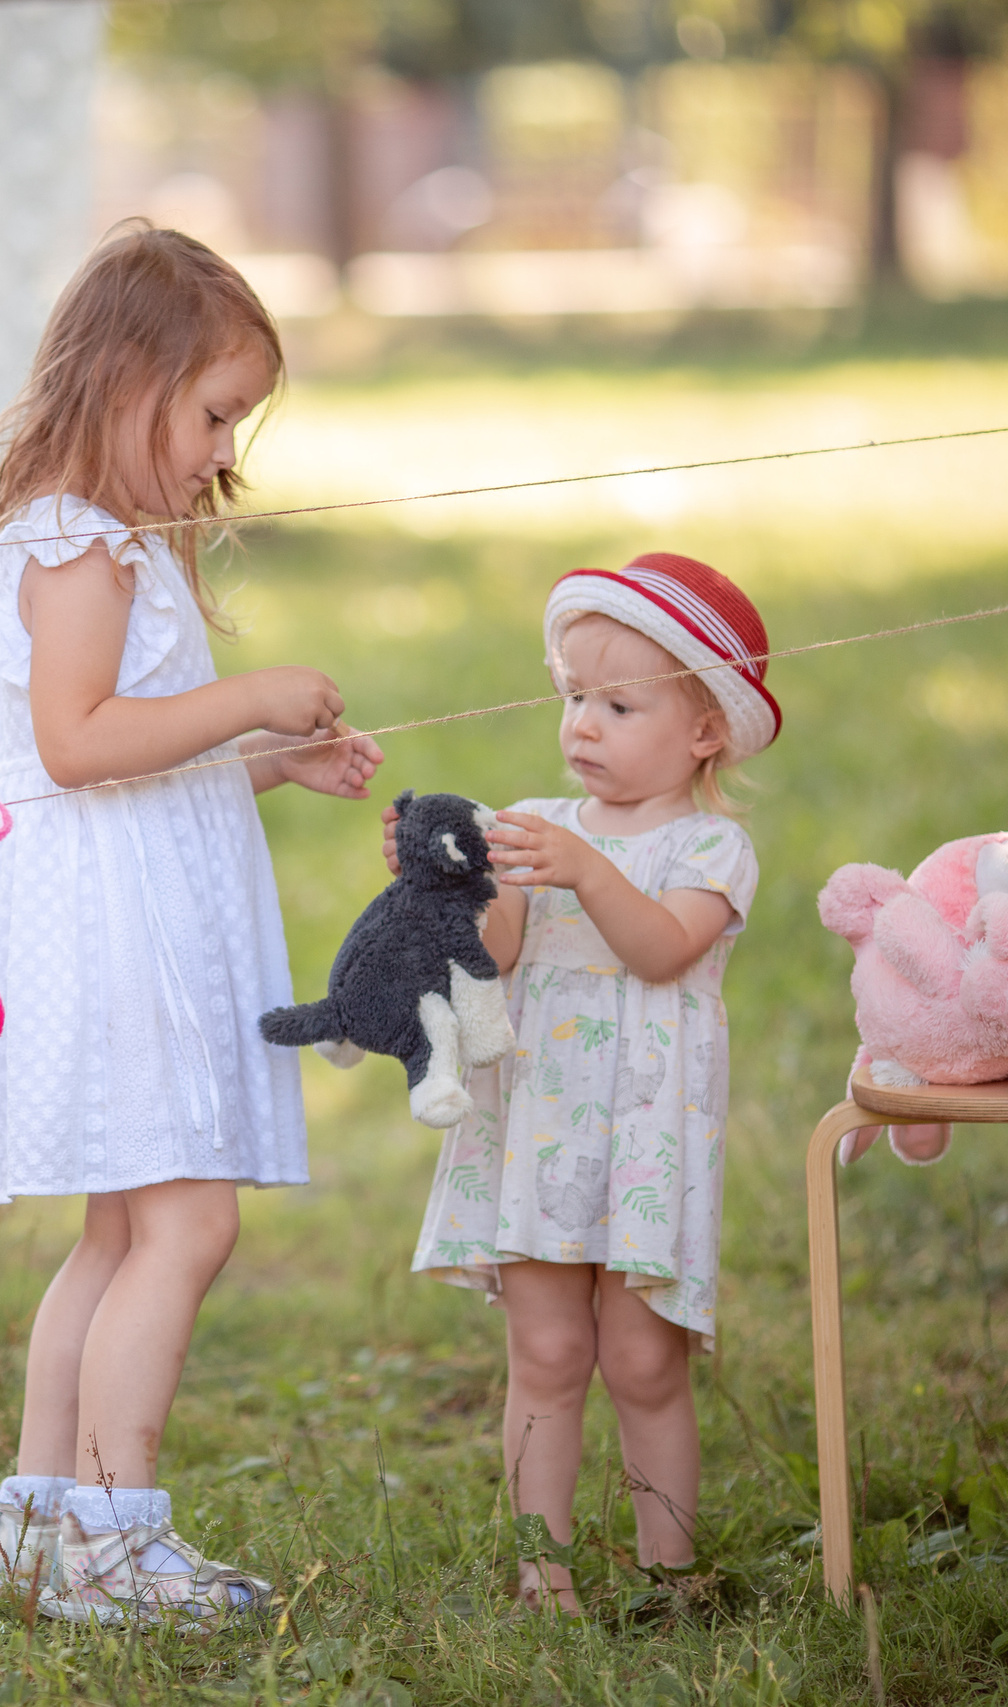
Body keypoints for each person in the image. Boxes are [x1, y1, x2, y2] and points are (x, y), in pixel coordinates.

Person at [0, 224, 384, 1628]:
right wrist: (251, 696)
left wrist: (268, 764)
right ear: (126, 378)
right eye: (212, 412)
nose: (219, 452)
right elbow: (80, 741)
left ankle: (37, 1520)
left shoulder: (111, 536)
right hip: (110, 927)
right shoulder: (78, 542)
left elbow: (131, 760)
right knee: (187, 1223)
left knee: (119, 1234)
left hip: (120, 905)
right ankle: (110, 1538)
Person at [398, 553, 775, 1611]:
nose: (583, 724)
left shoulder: (712, 845)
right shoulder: (537, 822)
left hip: (645, 1137)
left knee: (644, 1362)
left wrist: (583, 868)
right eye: (572, 696)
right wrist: (470, 880)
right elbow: (502, 955)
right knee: (548, 1352)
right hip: (538, 1130)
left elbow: (661, 952)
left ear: (704, 729)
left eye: (619, 703)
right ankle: (540, 1573)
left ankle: (671, 1574)